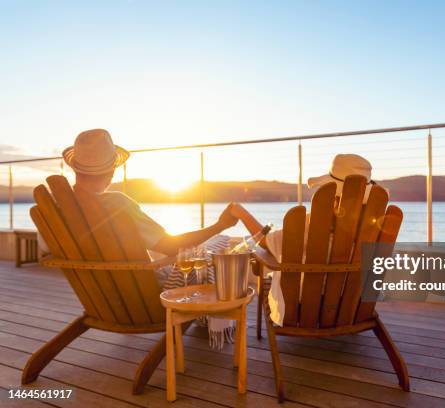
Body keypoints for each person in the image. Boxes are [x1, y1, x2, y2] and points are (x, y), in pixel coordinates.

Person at [46, 128, 239, 285]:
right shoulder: (117, 205)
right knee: (218, 242)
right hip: (145, 290)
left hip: (101, 293)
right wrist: (220, 225)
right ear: (112, 170)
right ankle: (215, 326)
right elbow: (172, 247)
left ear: (75, 168)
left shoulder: (60, 208)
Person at [229, 153, 379, 325]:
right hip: (351, 308)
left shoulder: (308, 227)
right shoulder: (373, 229)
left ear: (334, 199)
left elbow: (264, 241)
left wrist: (241, 212)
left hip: (301, 310)